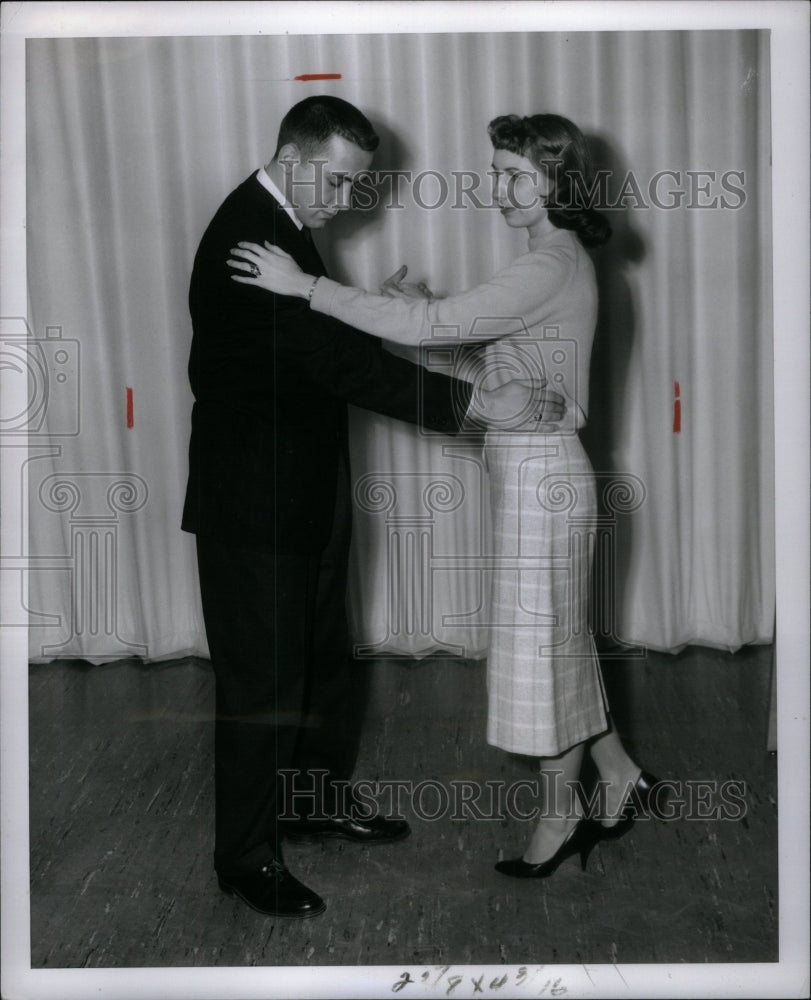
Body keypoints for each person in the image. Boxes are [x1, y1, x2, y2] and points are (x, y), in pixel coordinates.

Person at [227, 112, 664, 880]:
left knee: (542, 650)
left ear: (558, 183)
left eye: (515, 176)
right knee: (559, 636)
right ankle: (621, 776)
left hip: (542, 481)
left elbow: (443, 325)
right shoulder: (548, 261)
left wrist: (307, 287)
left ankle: (560, 820)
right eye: (495, 171)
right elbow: (485, 370)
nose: (498, 189)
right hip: (535, 474)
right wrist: (408, 323)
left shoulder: (549, 263)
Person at [182, 96, 564, 919]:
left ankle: (312, 805)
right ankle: (244, 858)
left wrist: (375, 312)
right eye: (344, 180)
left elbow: (309, 339)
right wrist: (469, 407)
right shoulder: (249, 236)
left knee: (321, 662)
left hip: (303, 489)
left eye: (360, 184)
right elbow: (329, 362)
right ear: (294, 157)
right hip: (254, 504)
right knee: (264, 684)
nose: (351, 198)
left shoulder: (283, 219)